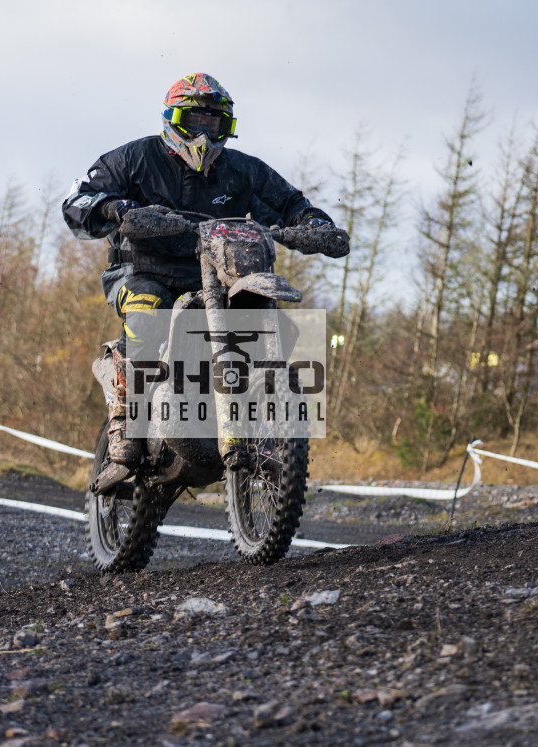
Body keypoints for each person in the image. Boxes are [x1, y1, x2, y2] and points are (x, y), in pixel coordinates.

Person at [62, 72, 349, 466]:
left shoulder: (244, 170)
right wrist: (116, 208)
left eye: (212, 122)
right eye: (194, 121)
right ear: (172, 120)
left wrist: (315, 224)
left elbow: (290, 203)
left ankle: (266, 417)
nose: (202, 132)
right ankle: (126, 420)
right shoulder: (134, 159)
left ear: (226, 127)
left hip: (219, 275)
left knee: (279, 323)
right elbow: (77, 200)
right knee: (147, 314)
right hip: (143, 271)